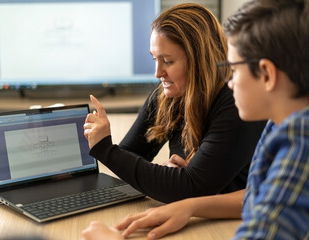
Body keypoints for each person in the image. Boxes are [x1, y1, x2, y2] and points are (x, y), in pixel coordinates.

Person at [82, 0, 309, 239]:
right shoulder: (278, 127)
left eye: (234, 68)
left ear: (267, 74)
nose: (229, 80)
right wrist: (189, 204)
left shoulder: (299, 142)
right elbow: (256, 196)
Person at [84, 3, 266, 204]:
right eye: (155, 59)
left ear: (199, 60)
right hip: (190, 216)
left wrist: (104, 148)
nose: (158, 72)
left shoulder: (235, 102)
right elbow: (129, 155)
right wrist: (166, 177)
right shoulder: (167, 95)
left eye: (168, 61)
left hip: (229, 225)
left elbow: (189, 188)